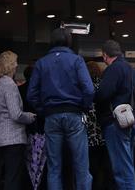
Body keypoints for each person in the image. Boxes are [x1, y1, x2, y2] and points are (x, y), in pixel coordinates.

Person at [27, 28, 94, 190]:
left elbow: (31, 95)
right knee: (81, 167)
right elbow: (89, 90)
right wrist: (84, 106)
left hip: (51, 116)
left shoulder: (41, 63)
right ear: (69, 41)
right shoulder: (76, 60)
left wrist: (43, 110)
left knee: (54, 168)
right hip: (74, 114)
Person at [95, 40, 135, 190]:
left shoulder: (113, 69)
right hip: (131, 119)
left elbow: (103, 94)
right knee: (128, 163)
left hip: (116, 123)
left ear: (105, 55)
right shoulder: (131, 69)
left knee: (121, 168)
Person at [0, 51, 36, 190]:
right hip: (13, 138)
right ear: (10, 65)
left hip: (1, 137)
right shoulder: (9, 85)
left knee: (7, 176)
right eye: (15, 62)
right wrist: (31, 116)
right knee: (13, 178)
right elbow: (16, 114)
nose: (17, 65)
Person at [85, 61, 111, 190]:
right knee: (106, 164)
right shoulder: (103, 86)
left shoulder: (85, 88)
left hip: (90, 134)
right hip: (104, 130)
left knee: (92, 166)